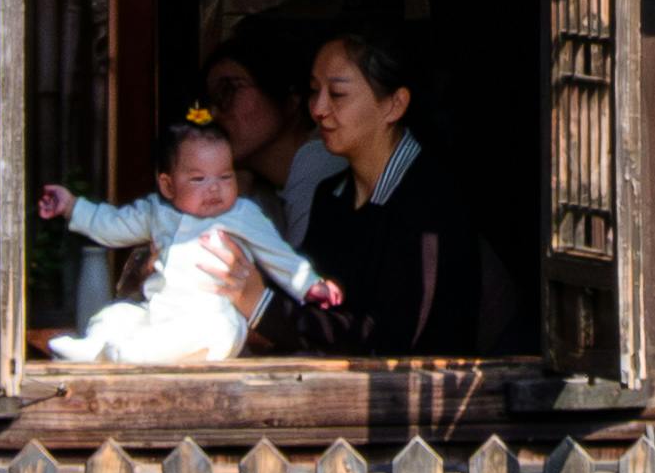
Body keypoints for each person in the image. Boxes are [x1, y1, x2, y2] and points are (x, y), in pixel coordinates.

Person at [35, 113, 344, 369]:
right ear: (168, 186)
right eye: (199, 179)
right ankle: (95, 348)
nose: (214, 188)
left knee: (216, 331)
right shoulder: (156, 212)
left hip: (213, 312)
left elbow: (278, 255)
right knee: (117, 315)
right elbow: (114, 224)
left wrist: (311, 285)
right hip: (158, 311)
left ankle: (132, 355)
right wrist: (73, 206)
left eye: (225, 177)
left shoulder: (243, 213)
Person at [298, 26, 482, 354]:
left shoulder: (430, 201)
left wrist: (266, 311)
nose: (318, 108)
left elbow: (389, 336)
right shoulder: (330, 196)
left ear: (394, 105)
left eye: (337, 94)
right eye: (314, 90)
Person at [198, 19, 339, 247]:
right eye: (210, 100)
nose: (214, 112)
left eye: (230, 89)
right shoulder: (261, 188)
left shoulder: (320, 162)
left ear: (291, 97)